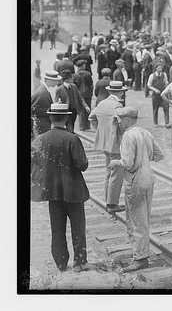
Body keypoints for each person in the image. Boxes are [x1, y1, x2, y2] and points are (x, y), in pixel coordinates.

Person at [31, 103, 90, 272]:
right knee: (78, 228)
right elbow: (82, 165)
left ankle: (61, 264)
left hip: (53, 193)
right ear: (66, 118)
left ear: (50, 118)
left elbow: (34, 163)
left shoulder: (41, 139)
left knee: (57, 229)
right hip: (74, 192)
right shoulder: (72, 138)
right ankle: (80, 263)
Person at [109, 107, 165, 272]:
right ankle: (142, 253)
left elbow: (127, 163)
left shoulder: (128, 135)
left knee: (135, 221)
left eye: (120, 119)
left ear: (127, 119)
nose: (118, 123)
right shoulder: (144, 132)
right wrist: (144, 158)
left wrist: (115, 162)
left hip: (135, 182)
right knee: (144, 218)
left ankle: (140, 259)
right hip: (149, 179)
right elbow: (159, 155)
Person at [89, 81, 127, 214]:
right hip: (115, 145)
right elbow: (121, 123)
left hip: (104, 144)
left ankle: (107, 199)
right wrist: (122, 134)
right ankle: (112, 204)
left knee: (108, 172)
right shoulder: (118, 105)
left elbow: (92, 117)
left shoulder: (101, 103)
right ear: (121, 92)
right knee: (116, 174)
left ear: (110, 91)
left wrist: (101, 129)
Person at [31, 70, 60, 138]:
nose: (57, 83)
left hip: (43, 125)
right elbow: (33, 109)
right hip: (41, 125)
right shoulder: (41, 92)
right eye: (55, 80)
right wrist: (50, 110)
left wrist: (54, 106)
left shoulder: (44, 90)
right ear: (49, 81)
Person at [147, 63, 170, 128]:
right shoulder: (152, 75)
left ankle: (167, 122)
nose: (160, 69)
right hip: (155, 94)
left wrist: (166, 91)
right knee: (155, 108)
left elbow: (166, 83)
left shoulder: (164, 75)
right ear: (156, 68)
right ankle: (155, 123)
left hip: (163, 94)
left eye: (161, 68)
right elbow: (149, 85)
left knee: (166, 107)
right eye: (159, 68)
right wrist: (155, 90)